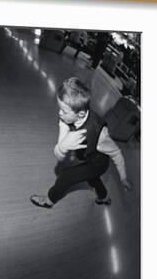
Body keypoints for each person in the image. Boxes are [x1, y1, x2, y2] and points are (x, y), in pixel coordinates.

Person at [30, 77, 132, 209]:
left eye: (64, 111)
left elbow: (116, 153)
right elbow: (59, 154)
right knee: (93, 179)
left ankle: (49, 200)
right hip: (85, 156)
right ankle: (104, 197)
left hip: (98, 163)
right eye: (60, 108)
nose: (59, 113)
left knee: (66, 177)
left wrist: (123, 177)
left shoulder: (100, 134)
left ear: (81, 113)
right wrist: (63, 146)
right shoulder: (67, 118)